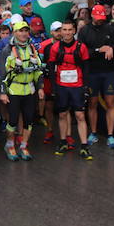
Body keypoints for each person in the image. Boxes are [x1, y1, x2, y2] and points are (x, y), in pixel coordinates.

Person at [44, 20, 93, 160]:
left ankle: (84, 146)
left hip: (77, 86)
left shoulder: (81, 47)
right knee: (62, 115)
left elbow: (86, 67)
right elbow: (51, 68)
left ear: (74, 31)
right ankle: (63, 141)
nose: (66, 33)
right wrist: (53, 87)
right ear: (60, 32)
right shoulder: (55, 48)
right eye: (64, 30)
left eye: (69, 30)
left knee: (80, 116)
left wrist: (86, 86)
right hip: (61, 86)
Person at [0, 21, 45, 161]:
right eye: (20, 31)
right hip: (14, 90)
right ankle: (10, 144)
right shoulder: (7, 50)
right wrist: (2, 92)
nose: (23, 33)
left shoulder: (32, 48)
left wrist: (40, 87)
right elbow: (2, 73)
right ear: (15, 32)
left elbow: (38, 70)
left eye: (26, 30)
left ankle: (24, 146)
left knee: (29, 120)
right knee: (12, 121)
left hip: (29, 90)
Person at [78, 4, 114, 149]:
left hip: (108, 71)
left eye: (103, 18)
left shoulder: (110, 29)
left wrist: (112, 48)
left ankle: (110, 135)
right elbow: (81, 51)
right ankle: (93, 132)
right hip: (92, 71)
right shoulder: (84, 31)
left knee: (110, 102)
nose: (100, 20)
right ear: (93, 16)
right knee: (93, 103)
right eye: (98, 18)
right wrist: (98, 50)